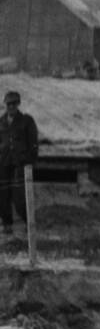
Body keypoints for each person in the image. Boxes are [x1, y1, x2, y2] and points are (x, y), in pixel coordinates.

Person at [1, 91, 39, 237]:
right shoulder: (1, 122)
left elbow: (33, 144)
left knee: (19, 199)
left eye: (13, 103)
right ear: (5, 105)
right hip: (3, 164)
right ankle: (7, 225)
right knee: (2, 197)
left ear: (18, 104)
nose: (11, 106)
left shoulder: (26, 121)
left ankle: (29, 224)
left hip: (20, 163)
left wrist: (30, 162)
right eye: (8, 104)